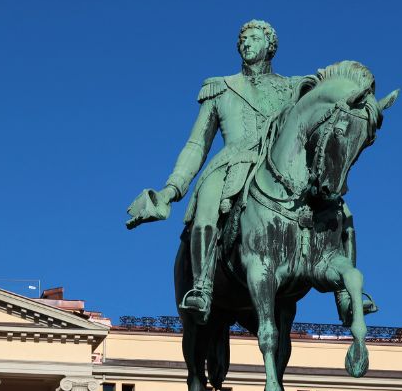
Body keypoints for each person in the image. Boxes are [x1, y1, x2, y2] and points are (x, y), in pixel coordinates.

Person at [126, 20, 311, 324]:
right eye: (243, 40)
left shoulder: (293, 88)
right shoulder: (220, 87)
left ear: (270, 45)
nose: (246, 44)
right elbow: (197, 144)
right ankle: (201, 287)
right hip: (229, 166)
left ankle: (339, 282)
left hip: (279, 171)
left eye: (253, 38)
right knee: (206, 209)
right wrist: (170, 191)